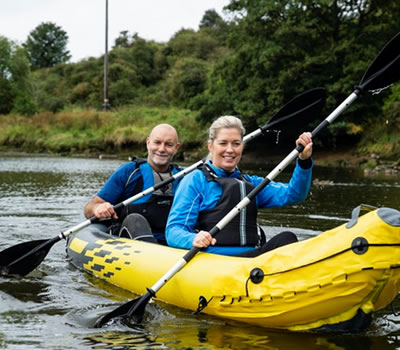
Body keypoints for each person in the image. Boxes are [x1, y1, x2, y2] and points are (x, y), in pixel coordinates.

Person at [165, 116, 313, 257]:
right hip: (213, 259)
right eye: (223, 143)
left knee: (286, 239)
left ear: (242, 146)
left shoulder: (250, 183)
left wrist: (304, 161)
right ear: (210, 146)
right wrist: (193, 239)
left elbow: (294, 194)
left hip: (251, 260)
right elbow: (173, 231)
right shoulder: (195, 180)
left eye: (236, 143)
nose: (230, 150)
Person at [84, 123, 181, 244]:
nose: (161, 149)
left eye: (169, 145)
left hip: (172, 243)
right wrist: (98, 208)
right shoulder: (128, 172)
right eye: (157, 142)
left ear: (176, 148)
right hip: (132, 244)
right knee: (134, 219)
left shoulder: (185, 177)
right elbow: (89, 208)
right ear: (148, 143)